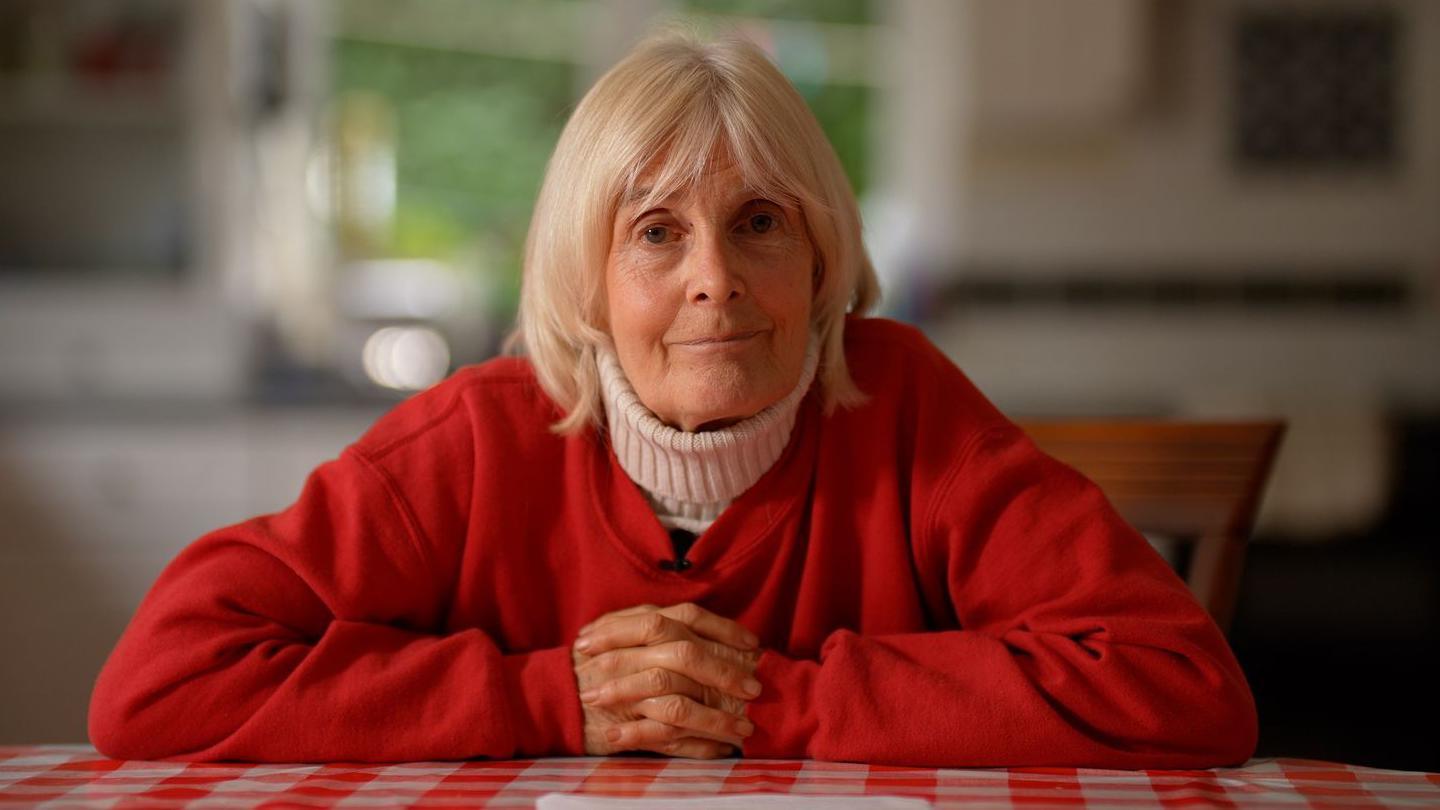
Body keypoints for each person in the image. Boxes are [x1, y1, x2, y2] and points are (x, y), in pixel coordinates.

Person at [88, 31, 1258, 768]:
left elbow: (1181, 684)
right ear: (587, 280)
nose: (716, 278)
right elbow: (160, 683)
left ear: (821, 260)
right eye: (655, 233)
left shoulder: (907, 406)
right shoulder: (478, 438)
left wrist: (769, 701)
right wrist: (544, 697)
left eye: (760, 223)